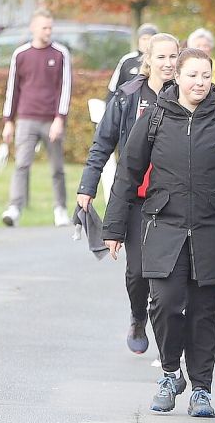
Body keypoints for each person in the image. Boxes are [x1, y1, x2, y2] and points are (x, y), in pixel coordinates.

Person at [102, 48, 215, 417]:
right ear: (178, 77)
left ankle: (202, 389)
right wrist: (113, 226)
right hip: (164, 226)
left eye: (206, 76)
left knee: (205, 312)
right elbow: (128, 171)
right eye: (193, 76)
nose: (200, 83)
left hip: (212, 229)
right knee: (165, 303)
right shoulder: (156, 117)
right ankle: (171, 373)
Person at [77, 33, 180, 355]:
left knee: (167, 273)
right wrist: (87, 186)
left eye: (173, 57)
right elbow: (103, 143)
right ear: (147, 60)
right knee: (136, 271)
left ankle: (165, 324)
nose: (167, 63)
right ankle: (138, 316)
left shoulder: (187, 95)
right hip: (136, 197)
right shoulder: (127, 96)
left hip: (174, 200)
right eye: (160, 57)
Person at [0, 8, 73, 228]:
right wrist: (8, 121)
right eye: (44, 27)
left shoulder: (60, 53)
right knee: (22, 164)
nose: (48, 31)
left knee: (57, 168)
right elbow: (12, 89)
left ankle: (60, 209)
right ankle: (14, 208)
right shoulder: (20, 55)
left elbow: (65, 88)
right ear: (33, 28)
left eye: (50, 27)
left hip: (51, 120)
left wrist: (60, 118)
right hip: (26, 118)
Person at [105, 23, 159, 101]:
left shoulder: (160, 60)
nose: (146, 42)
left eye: (150, 39)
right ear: (138, 40)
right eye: (144, 39)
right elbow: (114, 88)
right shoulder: (127, 60)